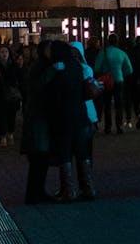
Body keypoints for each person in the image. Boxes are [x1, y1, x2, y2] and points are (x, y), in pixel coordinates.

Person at [44, 40, 93, 202]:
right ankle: (88, 187)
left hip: (63, 116)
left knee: (65, 153)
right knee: (82, 151)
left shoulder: (60, 69)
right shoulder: (77, 67)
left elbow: (55, 95)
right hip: (80, 114)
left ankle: (69, 189)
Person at [20, 40, 55, 204]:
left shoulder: (39, 66)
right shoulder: (41, 68)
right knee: (38, 160)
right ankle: (35, 193)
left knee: (39, 161)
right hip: (38, 120)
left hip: (38, 118)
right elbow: (37, 86)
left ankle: (36, 192)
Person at [69, 40, 99, 199]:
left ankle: (80, 185)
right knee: (85, 151)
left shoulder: (72, 69)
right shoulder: (87, 69)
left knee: (77, 151)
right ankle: (87, 184)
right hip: (89, 113)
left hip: (81, 114)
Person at [94, 33, 133, 134]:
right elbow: (129, 69)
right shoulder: (122, 53)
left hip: (107, 81)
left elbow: (97, 67)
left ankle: (108, 127)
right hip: (119, 80)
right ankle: (119, 126)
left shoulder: (103, 52)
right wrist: (120, 72)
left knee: (107, 104)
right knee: (119, 104)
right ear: (117, 41)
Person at [0, 44, 22, 146]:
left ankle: (10, 133)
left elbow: (20, 80)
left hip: (12, 95)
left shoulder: (14, 66)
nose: (4, 54)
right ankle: (3, 136)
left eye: (6, 52)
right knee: (1, 116)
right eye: (2, 52)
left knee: (12, 115)